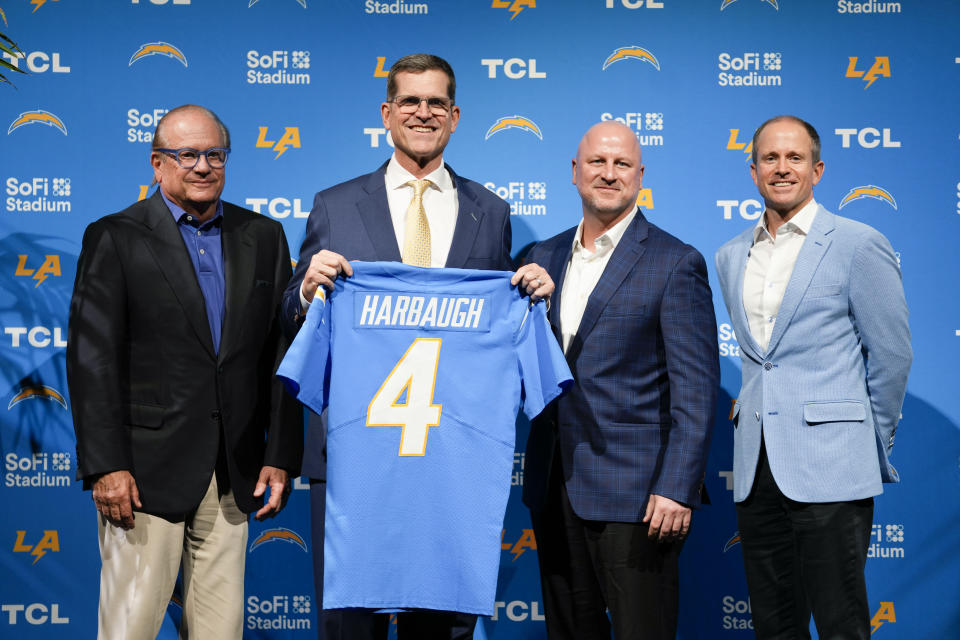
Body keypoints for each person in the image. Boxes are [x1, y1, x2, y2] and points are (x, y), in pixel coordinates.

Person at [280, 53, 553, 640]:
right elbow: (289, 318)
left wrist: (529, 293)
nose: (422, 113)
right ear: (387, 113)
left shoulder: (492, 212)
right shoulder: (334, 203)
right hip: (354, 456)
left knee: (441, 627)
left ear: (455, 117)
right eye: (410, 101)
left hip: (451, 460)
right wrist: (306, 290)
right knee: (350, 626)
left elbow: (491, 323)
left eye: (436, 103)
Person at [67, 104, 303, 639]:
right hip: (143, 476)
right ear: (157, 163)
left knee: (221, 631)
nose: (202, 166)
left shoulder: (263, 235)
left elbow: (281, 353)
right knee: (131, 627)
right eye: (186, 155)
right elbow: (91, 359)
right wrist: (106, 466)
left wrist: (279, 454)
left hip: (234, 470)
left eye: (214, 154)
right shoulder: (115, 236)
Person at [714, 115, 912, 639]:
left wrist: (866, 440)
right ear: (753, 171)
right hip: (757, 470)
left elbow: (892, 354)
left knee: (841, 622)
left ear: (817, 169)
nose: (782, 169)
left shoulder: (858, 243)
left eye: (795, 158)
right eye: (770, 159)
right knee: (774, 626)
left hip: (834, 467)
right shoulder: (731, 255)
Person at [522, 120, 720, 639]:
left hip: (640, 499)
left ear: (639, 175)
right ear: (574, 171)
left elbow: (696, 392)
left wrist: (677, 487)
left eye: (622, 164)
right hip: (553, 487)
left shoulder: (676, 263)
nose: (608, 174)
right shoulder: (539, 258)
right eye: (597, 162)